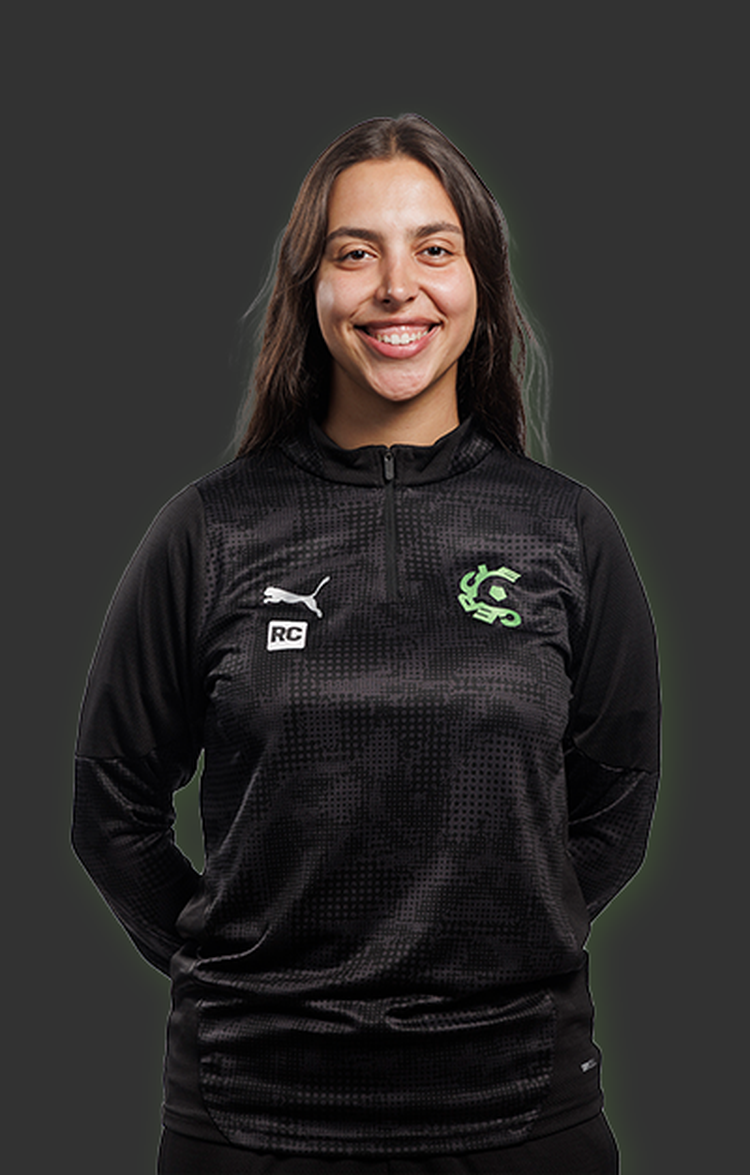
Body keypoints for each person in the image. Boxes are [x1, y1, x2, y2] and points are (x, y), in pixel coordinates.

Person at [72, 115, 660, 1174]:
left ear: (480, 284)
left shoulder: (567, 530)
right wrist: (228, 957)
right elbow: (111, 806)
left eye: (435, 249)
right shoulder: (211, 529)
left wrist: (512, 930)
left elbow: (617, 795)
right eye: (357, 252)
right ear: (311, 287)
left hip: (520, 1104)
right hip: (250, 1112)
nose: (398, 287)